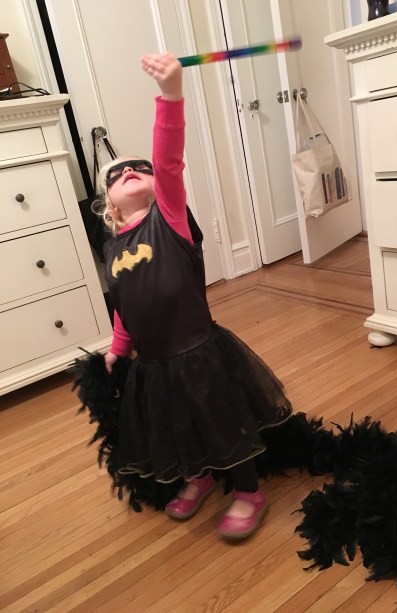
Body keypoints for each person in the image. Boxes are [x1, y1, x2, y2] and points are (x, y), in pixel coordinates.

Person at [92, 53, 292, 540]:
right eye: (116, 175)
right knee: (175, 423)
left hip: (198, 352)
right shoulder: (112, 248)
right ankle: (198, 476)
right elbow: (125, 305)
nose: (129, 171)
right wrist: (118, 348)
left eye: (139, 168)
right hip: (153, 363)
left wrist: (171, 95)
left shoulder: (170, 219)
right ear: (108, 206)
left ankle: (248, 491)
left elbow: (168, 160)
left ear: (156, 184)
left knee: (220, 420)